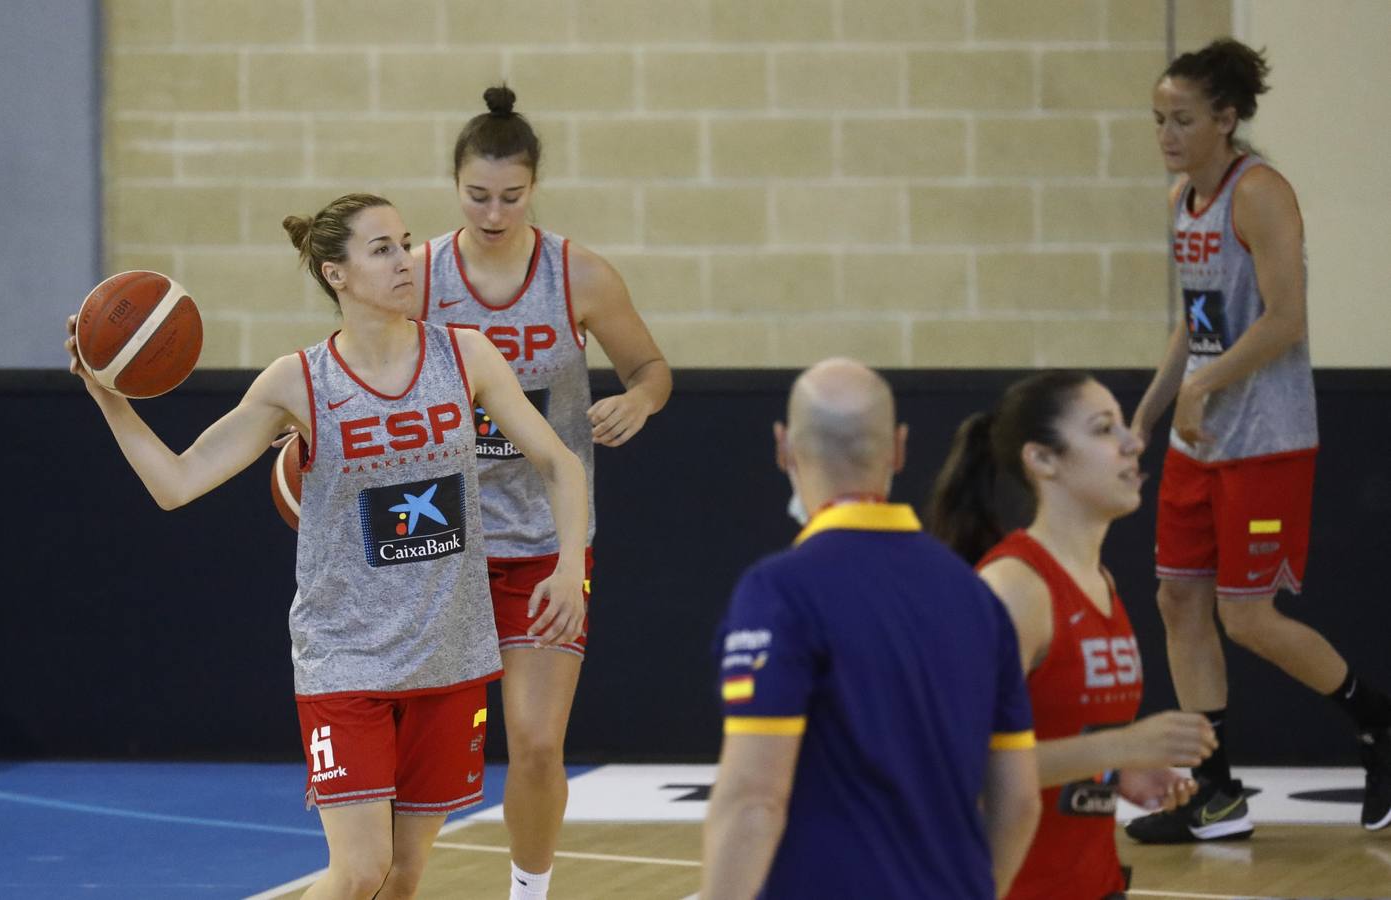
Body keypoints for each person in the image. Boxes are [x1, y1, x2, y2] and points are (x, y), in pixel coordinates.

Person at [66, 193, 588, 900]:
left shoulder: (464, 354)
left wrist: (563, 568)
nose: (405, 260)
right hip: (346, 656)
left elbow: (558, 462)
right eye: (381, 249)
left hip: (449, 650)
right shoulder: (298, 380)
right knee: (359, 872)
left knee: (401, 877)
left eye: (404, 243)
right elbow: (177, 482)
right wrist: (110, 398)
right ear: (334, 273)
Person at [1127, 38, 1391, 843]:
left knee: (1246, 616)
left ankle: (1377, 723)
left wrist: (1203, 388)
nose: (1167, 134)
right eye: (1158, 120)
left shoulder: (1261, 192)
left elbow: (1286, 319)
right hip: (1199, 442)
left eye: (1182, 120)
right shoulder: (1183, 198)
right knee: (1178, 600)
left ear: (1227, 119)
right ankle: (1216, 793)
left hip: (1266, 439)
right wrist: (1144, 413)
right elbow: (1196, 321)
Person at [417, 86, 672, 900]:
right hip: (436, 540)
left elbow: (651, 367)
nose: (493, 212)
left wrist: (636, 400)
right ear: (454, 184)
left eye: (511, 196)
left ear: (535, 188)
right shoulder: (417, 276)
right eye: (477, 195)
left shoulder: (578, 274)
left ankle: (529, 892)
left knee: (531, 742)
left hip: (542, 542)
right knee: (420, 748)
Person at [701, 358, 1041, 900]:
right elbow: (1020, 800)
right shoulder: (976, 594)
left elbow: (753, 799)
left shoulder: (779, 591)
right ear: (899, 447)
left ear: (783, 446)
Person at [929, 370, 1217, 899]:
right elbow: (959, 766)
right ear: (1042, 459)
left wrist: (1117, 768)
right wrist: (1122, 744)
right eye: (1105, 429)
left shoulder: (1098, 579)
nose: (1132, 441)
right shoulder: (1013, 588)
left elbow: (1056, 740)